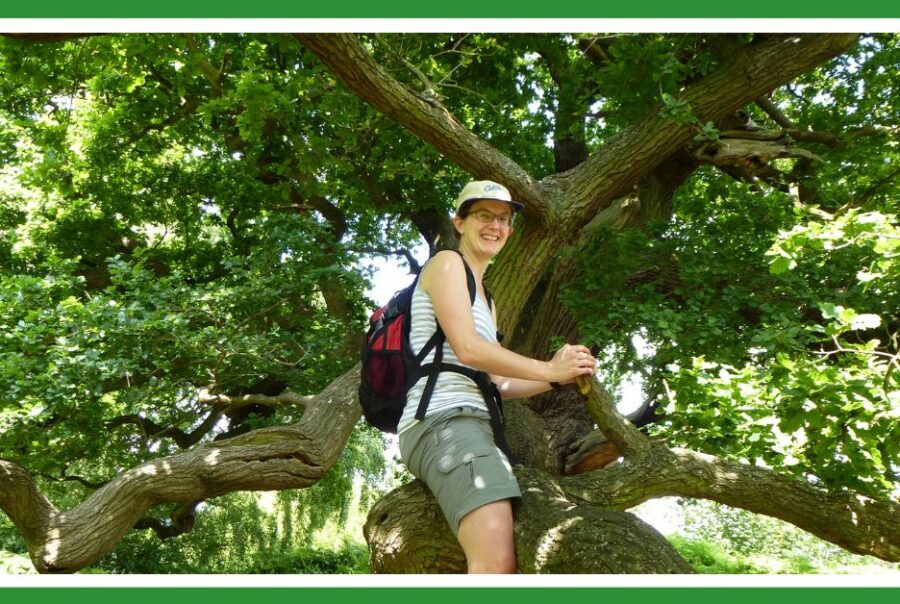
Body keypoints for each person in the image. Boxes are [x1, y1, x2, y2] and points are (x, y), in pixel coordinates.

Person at [397, 180, 597, 573]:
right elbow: (469, 348)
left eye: (504, 219)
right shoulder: (447, 264)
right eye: (484, 215)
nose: (496, 226)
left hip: (470, 423)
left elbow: (493, 382)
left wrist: (558, 379)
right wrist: (549, 367)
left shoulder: (487, 300)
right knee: (495, 564)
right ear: (459, 222)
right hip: (445, 422)